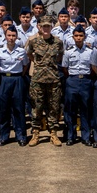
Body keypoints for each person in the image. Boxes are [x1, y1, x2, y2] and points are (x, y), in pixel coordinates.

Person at [26, 15, 65, 146]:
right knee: (37, 107)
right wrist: (40, 66)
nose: (46, 28)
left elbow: (60, 56)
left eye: (48, 26)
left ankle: (53, 134)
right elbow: (29, 55)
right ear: (40, 27)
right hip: (38, 80)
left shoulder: (58, 42)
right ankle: (35, 134)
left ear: (52, 27)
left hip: (53, 80)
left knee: (54, 108)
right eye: (44, 26)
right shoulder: (33, 42)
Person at [0, 27, 29, 146]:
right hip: (3, 79)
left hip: (17, 79)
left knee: (18, 108)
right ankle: (4, 136)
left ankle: (21, 136)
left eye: (13, 35)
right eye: (9, 35)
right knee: (3, 109)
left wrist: (19, 76)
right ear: (5, 36)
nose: (11, 38)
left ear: (17, 36)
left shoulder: (21, 51)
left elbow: (25, 67)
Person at [62, 25, 94, 146]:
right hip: (72, 81)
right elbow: (65, 68)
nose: (78, 38)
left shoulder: (91, 52)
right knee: (71, 110)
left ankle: (85, 136)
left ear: (84, 37)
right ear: (73, 37)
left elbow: (93, 68)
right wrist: (72, 78)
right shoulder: (68, 52)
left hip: (86, 81)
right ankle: (71, 136)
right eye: (76, 36)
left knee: (86, 109)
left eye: (81, 36)